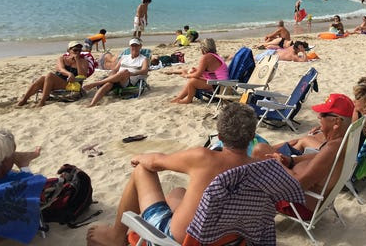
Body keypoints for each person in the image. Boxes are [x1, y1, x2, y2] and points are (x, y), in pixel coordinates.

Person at [86, 103, 258, 246]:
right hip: (230, 240)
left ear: (220, 136)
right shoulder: (260, 169)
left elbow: (155, 162)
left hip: (174, 240)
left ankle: (116, 236)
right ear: (252, 137)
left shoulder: (204, 157)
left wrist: (140, 157)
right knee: (178, 192)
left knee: (142, 171)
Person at [251, 93, 354, 219]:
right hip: (311, 199)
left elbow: (299, 185)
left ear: (336, 122)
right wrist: (290, 161)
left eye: (323, 115)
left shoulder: (333, 148)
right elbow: (317, 158)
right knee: (261, 150)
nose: (318, 117)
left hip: (300, 206)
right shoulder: (343, 142)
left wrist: (279, 165)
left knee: (258, 154)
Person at [17, 41, 90, 107]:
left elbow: (82, 75)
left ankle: (42, 102)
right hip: (57, 82)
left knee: (49, 75)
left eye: (79, 50)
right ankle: (24, 100)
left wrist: (77, 61)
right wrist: (69, 74)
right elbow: (61, 69)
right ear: (68, 50)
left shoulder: (83, 62)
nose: (77, 52)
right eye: (75, 50)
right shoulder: (62, 58)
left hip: (72, 84)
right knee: (42, 78)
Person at [83, 38, 150, 107]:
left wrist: (132, 73)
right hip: (117, 78)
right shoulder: (124, 57)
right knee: (108, 84)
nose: (134, 48)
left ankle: (96, 83)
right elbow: (115, 69)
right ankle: (92, 103)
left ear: (140, 46)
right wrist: (111, 76)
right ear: (130, 47)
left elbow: (145, 70)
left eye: (136, 45)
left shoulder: (143, 59)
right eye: (132, 46)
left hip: (128, 81)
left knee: (125, 71)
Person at [167, 38, 229, 104]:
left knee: (192, 81)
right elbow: (210, 71)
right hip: (222, 84)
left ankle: (188, 99)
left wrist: (186, 75)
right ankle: (178, 98)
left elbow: (198, 74)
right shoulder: (215, 55)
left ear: (203, 48)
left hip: (220, 86)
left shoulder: (207, 57)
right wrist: (196, 70)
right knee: (193, 78)